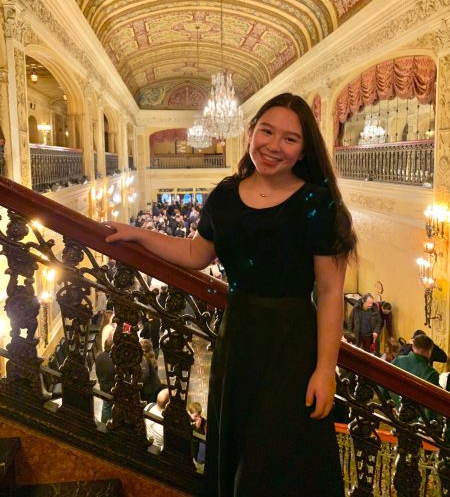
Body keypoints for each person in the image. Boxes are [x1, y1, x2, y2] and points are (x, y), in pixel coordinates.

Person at [105, 93, 357, 496]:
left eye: (289, 139)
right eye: (266, 131)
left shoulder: (317, 203)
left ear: (304, 149)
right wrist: (137, 234)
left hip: (292, 345)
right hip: (238, 339)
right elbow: (194, 253)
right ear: (251, 132)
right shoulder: (225, 195)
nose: (274, 145)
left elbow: (329, 291)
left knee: (279, 456)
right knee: (240, 449)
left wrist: (326, 370)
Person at [94, 336, 115, 423]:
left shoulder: (99, 357)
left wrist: (100, 380)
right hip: (112, 386)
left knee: (106, 405)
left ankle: (104, 423)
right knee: (109, 406)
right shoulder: (114, 359)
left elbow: (97, 372)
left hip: (103, 385)